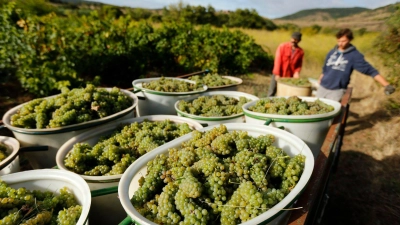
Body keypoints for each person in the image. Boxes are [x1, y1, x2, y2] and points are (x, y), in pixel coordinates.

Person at [317, 28, 396, 101]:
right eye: (338, 41)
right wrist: (320, 79)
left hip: (337, 90)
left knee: (330, 113)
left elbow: (370, 70)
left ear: (350, 40)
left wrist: (386, 85)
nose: (340, 44)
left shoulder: (354, 55)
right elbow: (325, 68)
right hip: (323, 87)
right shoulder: (332, 52)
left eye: (343, 41)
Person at [267, 31, 304, 97]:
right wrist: (277, 74)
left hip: (289, 76)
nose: (293, 40)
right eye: (292, 38)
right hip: (279, 73)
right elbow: (277, 60)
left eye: (296, 39)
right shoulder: (283, 46)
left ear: (299, 40)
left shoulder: (300, 51)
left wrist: (297, 72)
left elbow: (299, 64)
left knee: (284, 94)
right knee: (272, 91)